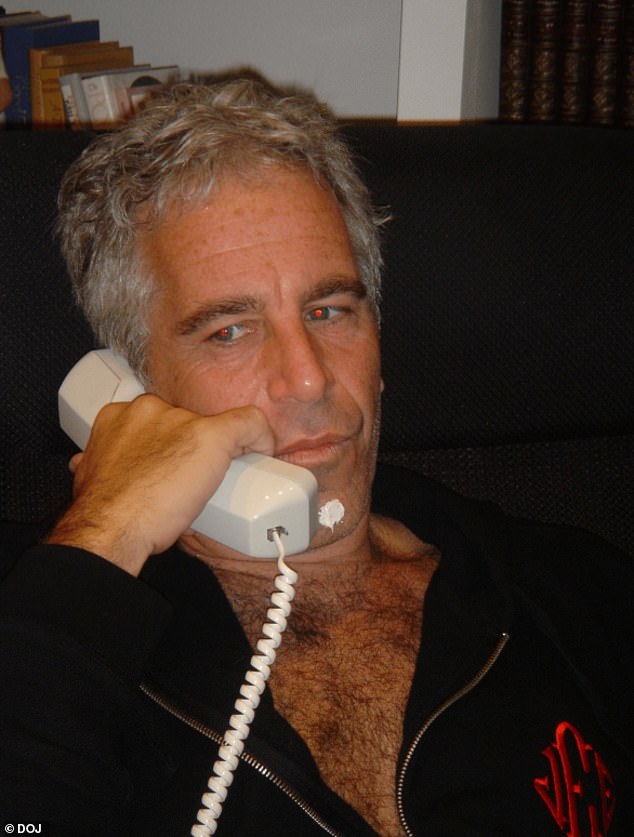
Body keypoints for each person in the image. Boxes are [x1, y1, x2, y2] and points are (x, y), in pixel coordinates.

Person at [0, 76, 632, 837]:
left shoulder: (570, 593)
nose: (308, 378)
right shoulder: (41, 637)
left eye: (329, 310)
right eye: (229, 331)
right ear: (134, 388)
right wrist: (105, 534)